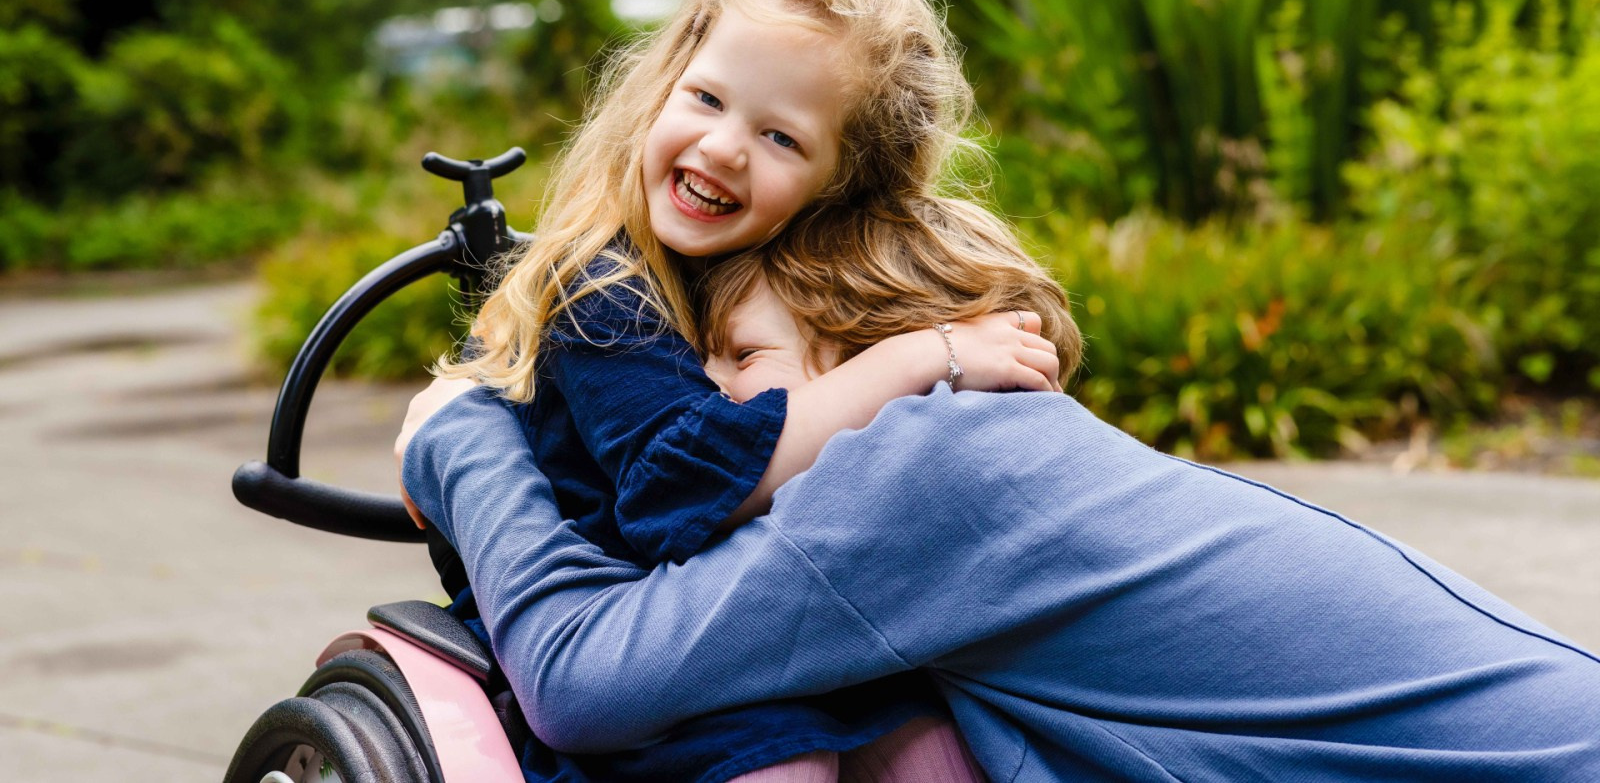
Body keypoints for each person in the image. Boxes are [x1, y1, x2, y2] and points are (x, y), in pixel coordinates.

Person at [402, 209, 1600, 782]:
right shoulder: (1010, 451)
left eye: (743, 359)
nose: (712, 405)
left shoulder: (923, 472)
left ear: (867, 345)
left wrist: (465, 439)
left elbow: (586, 679)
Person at [396, 0, 1064, 783]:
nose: (722, 148)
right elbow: (680, 488)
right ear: (663, 85)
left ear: (837, 184)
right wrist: (922, 359)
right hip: (633, 642)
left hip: (765, 622)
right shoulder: (604, 286)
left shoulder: (792, 277)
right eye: (707, 98)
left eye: (781, 136)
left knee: (937, 750)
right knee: (784, 764)